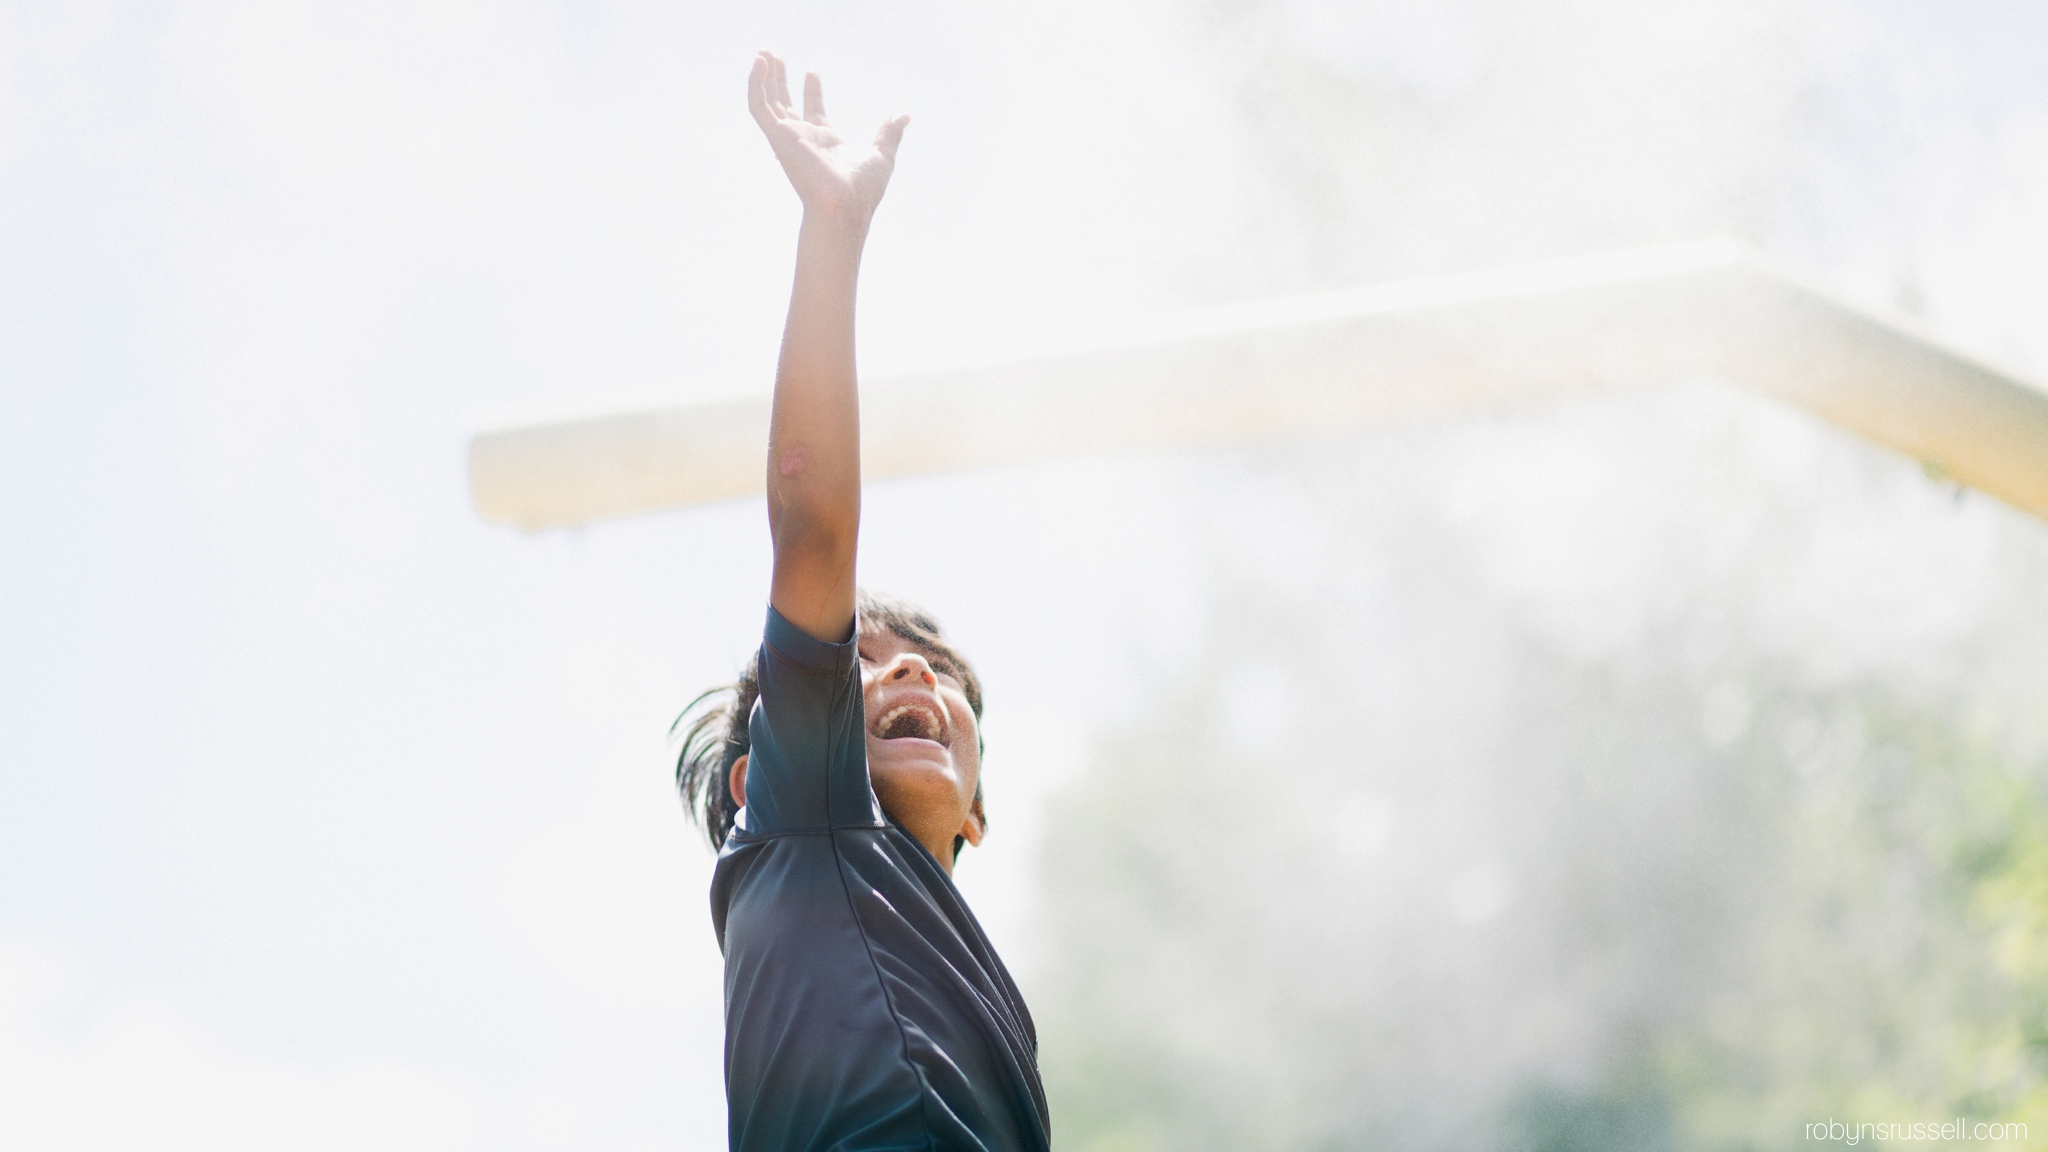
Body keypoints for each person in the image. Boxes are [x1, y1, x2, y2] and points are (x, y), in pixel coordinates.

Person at [671, 51, 1051, 1152]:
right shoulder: (809, 817)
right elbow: (812, 522)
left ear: (976, 813)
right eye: (864, 659)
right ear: (763, 777)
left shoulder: (995, 1014)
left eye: (936, 669)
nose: (911, 671)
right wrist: (831, 226)